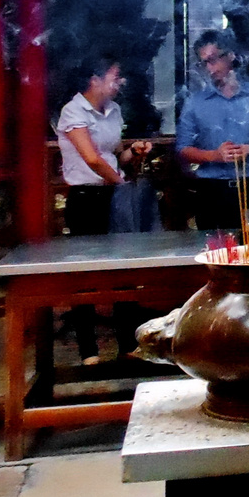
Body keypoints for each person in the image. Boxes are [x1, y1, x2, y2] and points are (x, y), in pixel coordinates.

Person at [54, 56, 150, 362]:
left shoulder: (114, 110)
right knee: (87, 274)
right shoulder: (72, 112)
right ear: (95, 80)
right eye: (114, 77)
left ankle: (128, 344)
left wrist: (132, 152)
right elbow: (92, 159)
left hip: (113, 194)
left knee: (124, 270)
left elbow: (112, 154)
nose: (119, 83)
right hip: (86, 198)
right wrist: (120, 183)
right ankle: (88, 350)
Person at [177, 30, 249, 231]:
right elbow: (183, 149)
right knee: (213, 251)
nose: (209, 69)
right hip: (212, 190)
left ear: (230, 55)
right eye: (203, 63)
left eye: (213, 60)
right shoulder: (194, 103)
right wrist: (214, 155)